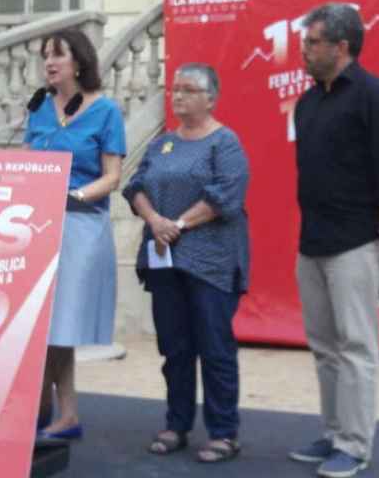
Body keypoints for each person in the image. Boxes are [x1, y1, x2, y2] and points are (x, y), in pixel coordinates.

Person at [288, 3, 379, 478]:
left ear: (341, 46)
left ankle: (355, 446)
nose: (303, 49)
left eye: (312, 42)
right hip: (312, 243)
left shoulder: (375, 96)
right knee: (324, 346)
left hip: (356, 244)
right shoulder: (307, 101)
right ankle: (335, 431)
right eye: (303, 41)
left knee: (356, 346)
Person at [123, 63, 250, 464]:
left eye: (189, 90)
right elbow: (135, 185)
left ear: (210, 98)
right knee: (175, 348)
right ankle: (176, 424)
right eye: (175, 89)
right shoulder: (164, 143)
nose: (178, 96)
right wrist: (154, 221)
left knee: (215, 349)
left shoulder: (225, 143)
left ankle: (224, 433)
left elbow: (225, 196)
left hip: (210, 262)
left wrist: (176, 224)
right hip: (165, 261)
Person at [24, 28, 126, 440]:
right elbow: (29, 163)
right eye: (45, 55)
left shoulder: (106, 112)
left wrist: (75, 194)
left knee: (61, 321)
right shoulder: (39, 108)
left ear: (79, 62)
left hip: (82, 226)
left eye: (58, 55)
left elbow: (113, 177)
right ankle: (64, 412)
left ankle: (39, 405)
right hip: (40, 225)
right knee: (47, 324)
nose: (49, 62)